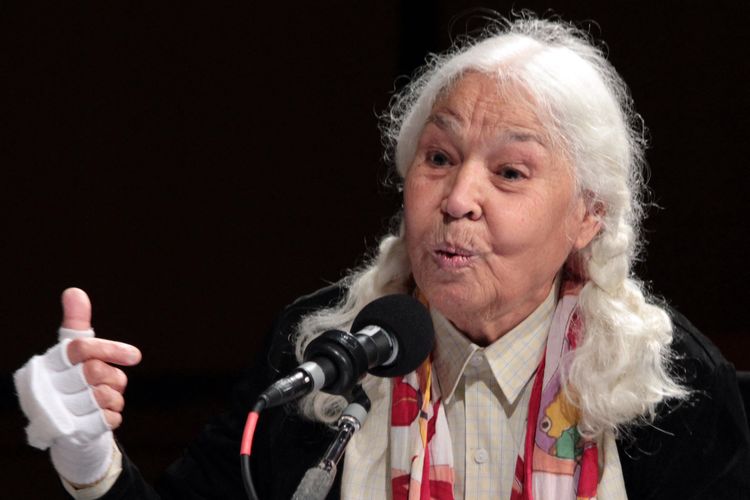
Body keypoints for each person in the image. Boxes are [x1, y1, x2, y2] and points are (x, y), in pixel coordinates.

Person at [14, 16, 750, 499]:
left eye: (510, 172)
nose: (458, 197)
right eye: (439, 156)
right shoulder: (320, 349)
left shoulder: (669, 383)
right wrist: (90, 460)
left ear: (588, 214)